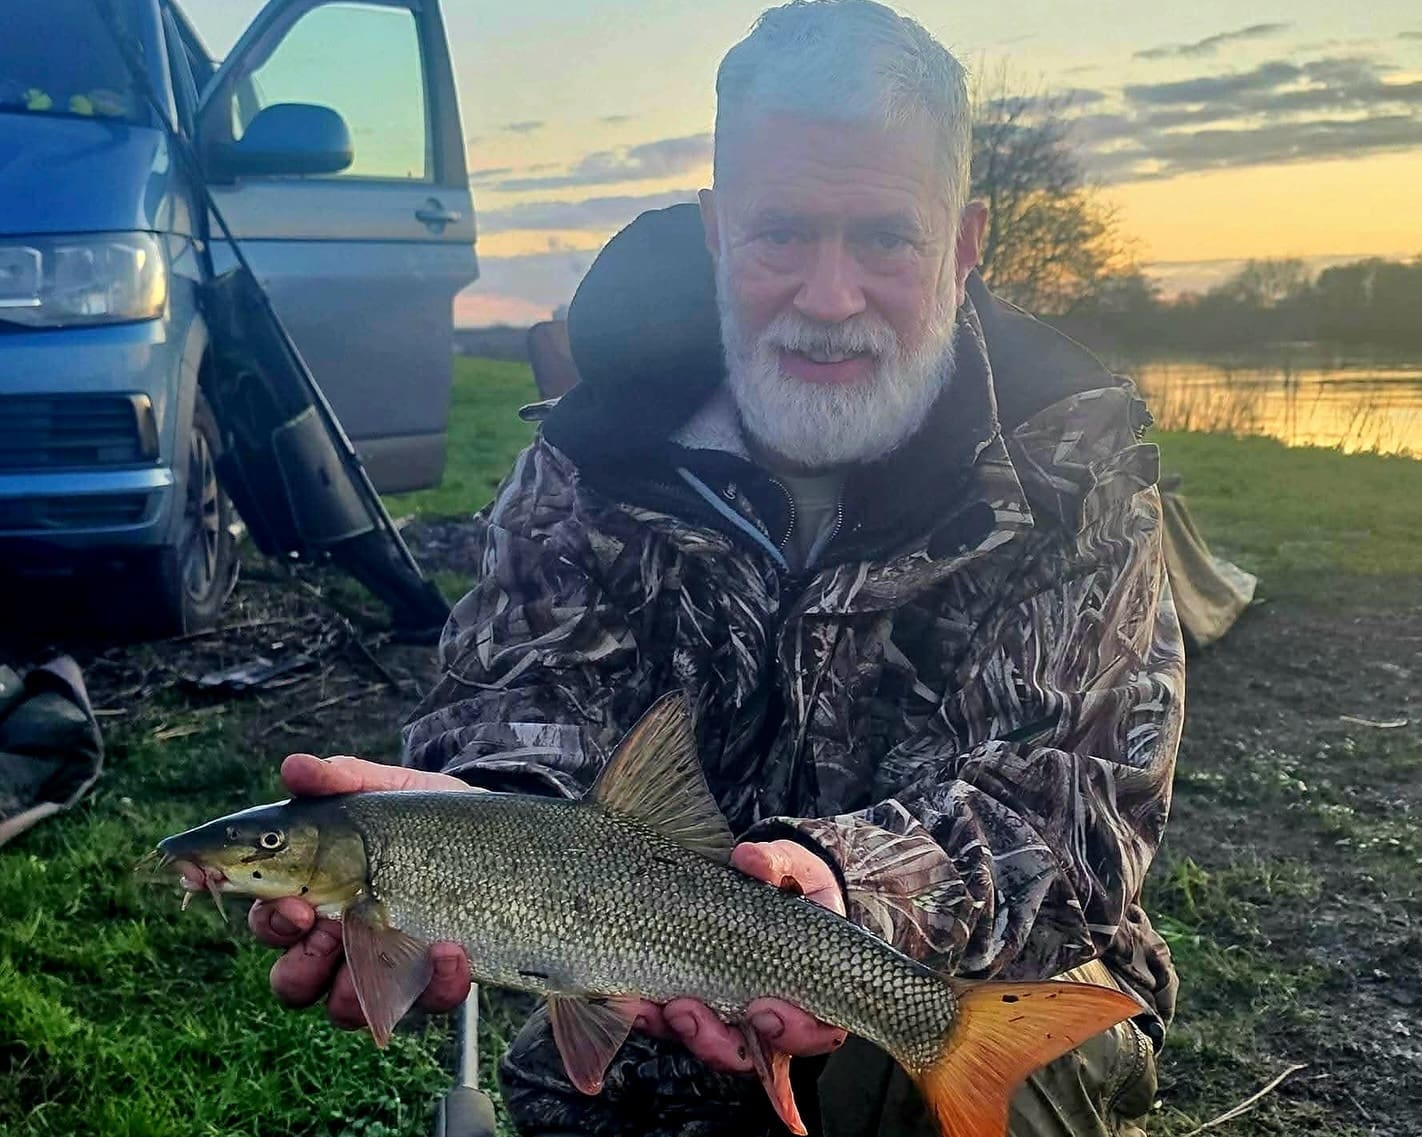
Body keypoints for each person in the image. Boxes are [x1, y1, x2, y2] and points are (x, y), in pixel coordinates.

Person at [248, 2, 1184, 1134]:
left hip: (978, 981)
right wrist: (486, 825)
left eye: (884, 237)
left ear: (966, 242)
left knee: (983, 1095)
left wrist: (843, 888)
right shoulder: (594, 459)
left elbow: (1068, 815)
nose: (828, 300)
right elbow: (509, 704)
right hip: (647, 986)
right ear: (715, 230)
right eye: (781, 232)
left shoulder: (1072, 473)